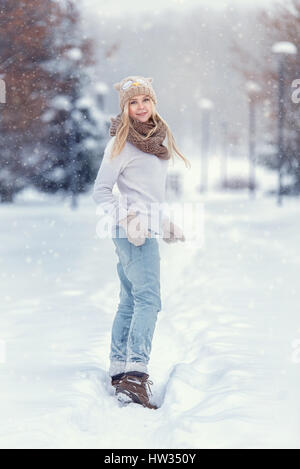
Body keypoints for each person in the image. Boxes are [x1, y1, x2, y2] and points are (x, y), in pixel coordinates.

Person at [93, 76, 191, 409]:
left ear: (153, 103)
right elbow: (101, 191)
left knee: (131, 299)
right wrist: (129, 220)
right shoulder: (120, 143)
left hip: (144, 228)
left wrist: (162, 222)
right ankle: (136, 372)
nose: (140, 107)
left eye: (144, 100)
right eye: (133, 103)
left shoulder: (156, 142)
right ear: (125, 107)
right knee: (149, 299)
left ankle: (120, 369)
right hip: (129, 231)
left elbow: (146, 195)